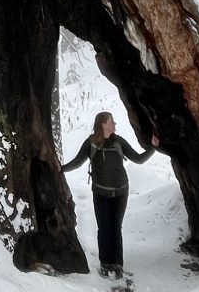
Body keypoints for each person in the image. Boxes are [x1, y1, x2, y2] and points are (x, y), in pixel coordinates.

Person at [61, 111, 159, 281]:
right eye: (111, 122)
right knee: (104, 228)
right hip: (101, 192)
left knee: (116, 228)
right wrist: (61, 169)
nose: (114, 124)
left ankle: (117, 264)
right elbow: (77, 161)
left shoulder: (119, 141)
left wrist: (153, 147)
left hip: (121, 192)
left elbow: (138, 159)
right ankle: (106, 264)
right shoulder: (91, 143)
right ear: (103, 125)